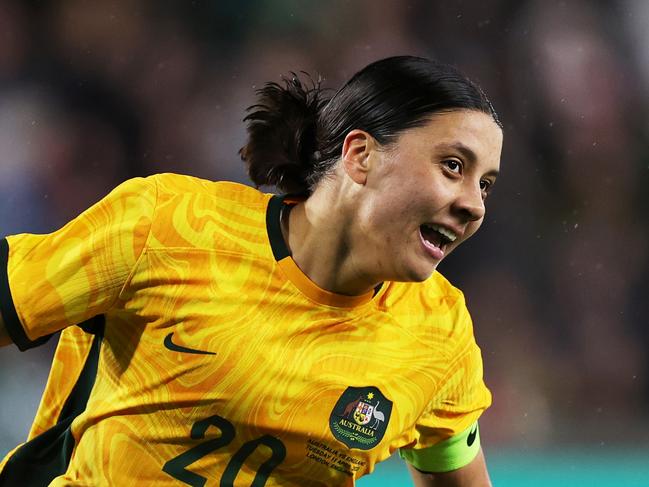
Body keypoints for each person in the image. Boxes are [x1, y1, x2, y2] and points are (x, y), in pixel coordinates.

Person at [0, 55, 502, 486]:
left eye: (486, 185)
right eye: (454, 166)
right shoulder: (167, 225)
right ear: (360, 155)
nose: (473, 206)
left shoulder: (439, 335)